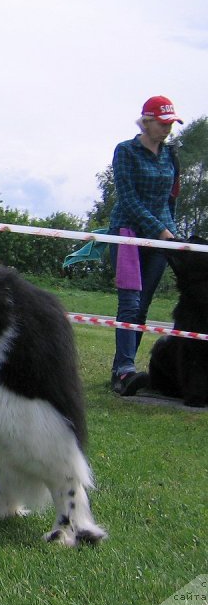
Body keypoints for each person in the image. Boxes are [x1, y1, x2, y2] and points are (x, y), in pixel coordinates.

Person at [108, 95, 182, 396]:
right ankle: (125, 372)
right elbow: (128, 199)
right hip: (127, 232)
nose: (167, 129)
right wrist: (160, 231)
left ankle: (121, 369)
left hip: (161, 238)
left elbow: (169, 199)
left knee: (144, 306)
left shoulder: (170, 155)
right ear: (147, 120)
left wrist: (173, 237)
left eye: (171, 124)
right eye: (163, 123)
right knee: (130, 303)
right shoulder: (125, 151)